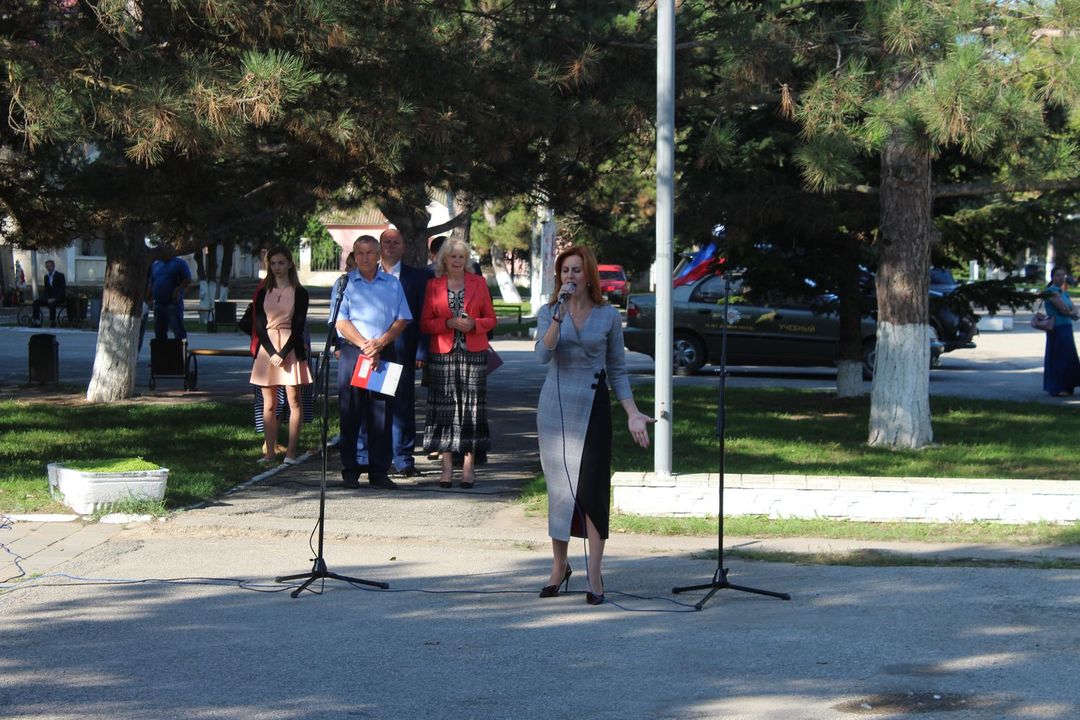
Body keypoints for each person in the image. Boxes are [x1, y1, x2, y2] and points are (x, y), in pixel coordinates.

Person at [535, 245, 653, 605]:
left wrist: (632, 411)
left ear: (588, 276)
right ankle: (559, 566)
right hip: (555, 409)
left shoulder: (607, 316)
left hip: (593, 406)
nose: (569, 276)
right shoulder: (548, 311)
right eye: (564, 271)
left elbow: (617, 368)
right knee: (560, 490)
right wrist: (558, 315)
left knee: (592, 489)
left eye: (575, 270)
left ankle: (595, 574)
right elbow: (542, 354)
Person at [420, 238, 497, 488]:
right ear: (444, 259)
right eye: (453, 256)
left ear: (467, 260)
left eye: (461, 257)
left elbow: (491, 319)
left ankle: (468, 467)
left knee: (471, 410)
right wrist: (447, 324)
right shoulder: (433, 285)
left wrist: (475, 324)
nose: (457, 261)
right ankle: (446, 468)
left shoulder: (479, 283)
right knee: (445, 410)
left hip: (473, 353)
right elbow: (425, 323)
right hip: (442, 354)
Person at [336, 236, 411, 490]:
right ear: (354, 255)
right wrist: (364, 345)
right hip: (353, 353)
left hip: (382, 353)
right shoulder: (345, 283)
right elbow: (341, 321)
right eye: (359, 253)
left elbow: (402, 319)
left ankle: (379, 470)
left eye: (369, 252)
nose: (364, 257)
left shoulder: (392, 284)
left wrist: (379, 344)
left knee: (381, 414)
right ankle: (351, 469)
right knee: (350, 413)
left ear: (378, 254)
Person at [249, 247, 313, 464]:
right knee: (269, 403)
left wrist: (284, 352)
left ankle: (291, 453)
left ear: (289, 264)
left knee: (294, 400)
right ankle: (270, 451)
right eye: (273, 263)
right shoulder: (262, 292)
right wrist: (271, 352)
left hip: (291, 348)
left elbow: (298, 326)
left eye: (281, 263)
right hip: (267, 349)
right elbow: (258, 325)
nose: (277, 267)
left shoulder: (300, 293)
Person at [379, 228, 429, 478]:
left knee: (402, 406)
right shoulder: (368, 275)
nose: (390, 245)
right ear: (380, 246)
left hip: (404, 351)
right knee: (377, 405)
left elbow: (422, 317)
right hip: (373, 352)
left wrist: (421, 350)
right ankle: (377, 458)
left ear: (404, 247)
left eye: (395, 242)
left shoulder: (417, 278)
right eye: (386, 241)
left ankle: (403, 459)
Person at [1043, 265, 1080, 397]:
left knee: (1069, 357)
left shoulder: (1063, 292)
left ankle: (1068, 386)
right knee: (1060, 358)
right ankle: (1058, 387)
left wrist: (1071, 312)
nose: (1061, 278)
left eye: (1063, 275)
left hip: (1066, 327)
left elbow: (1074, 309)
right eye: (1058, 275)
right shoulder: (1051, 291)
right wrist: (1071, 312)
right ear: (1052, 277)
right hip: (1057, 328)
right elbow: (1063, 309)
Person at [149, 246, 192, 340]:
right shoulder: (155, 265)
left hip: (173, 304)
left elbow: (188, 279)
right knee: (159, 333)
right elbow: (152, 282)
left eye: (164, 251)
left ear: (171, 251)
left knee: (178, 331)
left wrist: (178, 289)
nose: (161, 253)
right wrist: (150, 298)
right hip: (158, 304)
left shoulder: (180, 263)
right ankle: (163, 354)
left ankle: (181, 353)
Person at [32, 260, 66, 327]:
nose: (49, 268)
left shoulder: (60, 276)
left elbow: (62, 289)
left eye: (50, 266)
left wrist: (55, 298)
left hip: (59, 298)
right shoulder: (46, 277)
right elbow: (46, 289)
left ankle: (52, 321)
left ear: (54, 266)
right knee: (36, 302)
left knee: (52, 303)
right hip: (49, 297)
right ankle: (37, 321)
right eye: (47, 266)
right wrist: (46, 298)